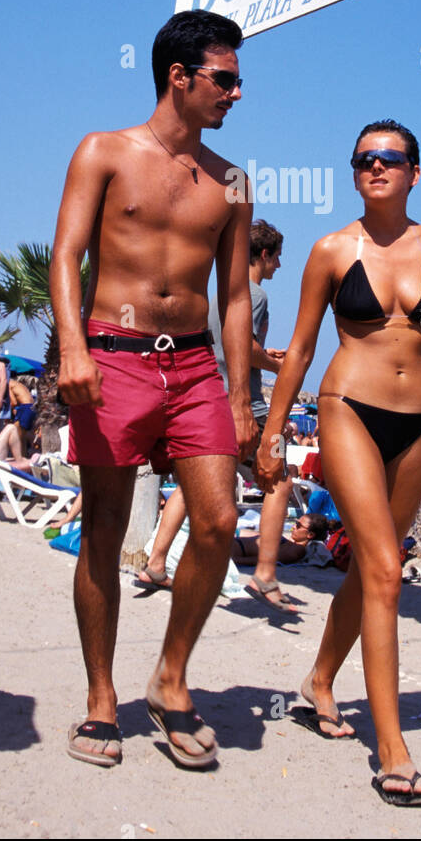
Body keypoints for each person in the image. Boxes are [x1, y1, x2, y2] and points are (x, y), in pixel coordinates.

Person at [255, 120, 421, 807]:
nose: (375, 167)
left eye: (389, 158)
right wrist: (272, 432)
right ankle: (391, 747)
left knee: (371, 569)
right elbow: (297, 349)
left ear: (415, 172)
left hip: (419, 424)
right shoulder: (331, 250)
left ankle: (320, 680)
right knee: (386, 568)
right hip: (347, 408)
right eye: (363, 159)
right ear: (354, 171)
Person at [50, 12, 258, 770]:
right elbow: (67, 254)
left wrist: (241, 396)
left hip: (196, 363)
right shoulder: (104, 152)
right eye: (225, 78)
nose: (237, 92)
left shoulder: (232, 180)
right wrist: (73, 348)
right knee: (105, 530)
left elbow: (236, 297)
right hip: (112, 357)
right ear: (181, 76)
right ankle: (101, 699)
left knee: (217, 520)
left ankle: (170, 678)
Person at [138, 220, 295, 609]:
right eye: (277, 258)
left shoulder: (218, 294)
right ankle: (265, 573)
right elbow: (240, 345)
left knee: (194, 487)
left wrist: (264, 355)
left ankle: (156, 562)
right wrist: (279, 366)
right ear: (264, 255)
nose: (279, 266)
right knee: (279, 481)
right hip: (245, 404)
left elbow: (227, 346)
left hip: (210, 399)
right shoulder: (255, 296)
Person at [232, 512, 330, 566]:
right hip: (235, 542)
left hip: (235, 549)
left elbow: (267, 560)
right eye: (295, 523)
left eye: (298, 525)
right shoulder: (291, 544)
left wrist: (235, 560)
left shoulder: (297, 550)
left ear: (310, 535)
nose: (294, 527)